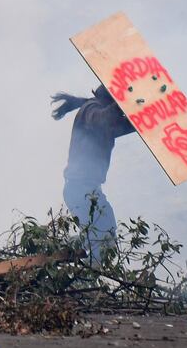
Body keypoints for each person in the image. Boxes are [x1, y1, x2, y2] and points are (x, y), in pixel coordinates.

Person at [51, 85, 135, 262]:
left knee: (99, 237)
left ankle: (60, 252)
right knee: (104, 241)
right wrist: (125, 99)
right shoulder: (91, 109)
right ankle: (88, 281)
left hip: (85, 190)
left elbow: (125, 125)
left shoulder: (101, 118)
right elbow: (103, 118)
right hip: (82, 190)